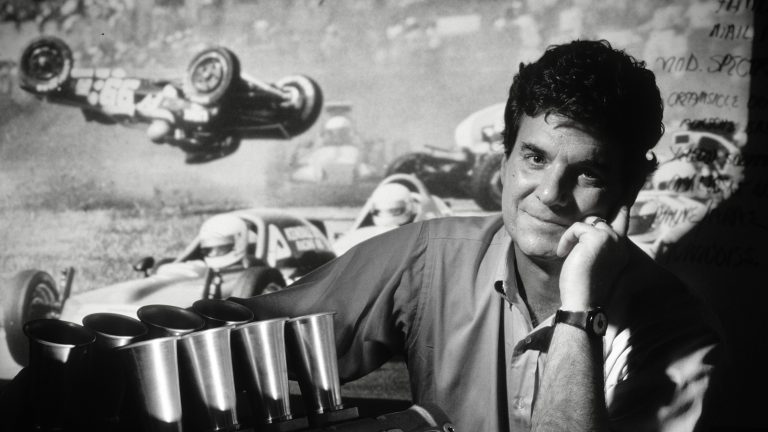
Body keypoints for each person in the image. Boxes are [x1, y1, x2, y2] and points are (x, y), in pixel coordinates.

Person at [233, 40, 720, 431]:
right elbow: (253, 332)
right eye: (535, 158)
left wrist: (579, 312)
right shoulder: (432, 255)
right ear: (505, 162)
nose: (550, 193)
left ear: (628, 190)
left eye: (587, 174)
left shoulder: (676, 334)